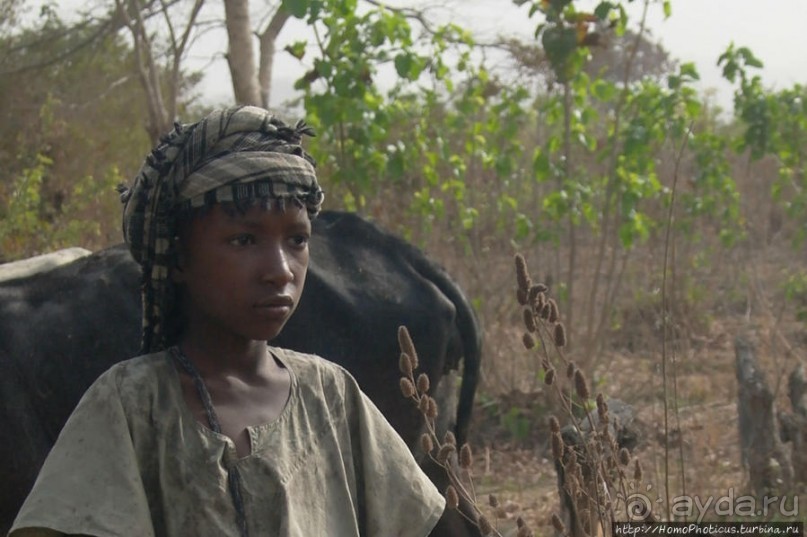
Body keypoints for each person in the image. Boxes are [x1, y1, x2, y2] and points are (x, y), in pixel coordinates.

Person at [9, 106, 447, 536]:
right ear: (178, 256)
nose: (281, 270)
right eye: (244, 240)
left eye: (297, 240)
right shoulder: (130, 405)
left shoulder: (330, 394)